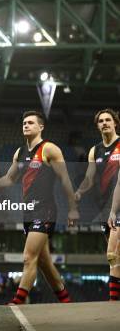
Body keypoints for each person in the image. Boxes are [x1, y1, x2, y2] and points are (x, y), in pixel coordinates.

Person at [0, 111, 79, 305]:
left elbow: (65, 179)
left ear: (41, 127)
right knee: (44, 263)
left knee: (28, 257)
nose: (26, 125)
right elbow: (9, 178)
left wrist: (73, 208)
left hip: (46, 210)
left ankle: (18, 301)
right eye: (24, 123)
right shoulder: (19, 152)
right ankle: (66, 301)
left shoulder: (49, 149)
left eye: (31, 123)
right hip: (28, 212)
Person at [75, 109, 120, 301]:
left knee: (112, 253)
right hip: (104, 207)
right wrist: (79, 191)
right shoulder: (95, 151)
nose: (104, 123)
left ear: (115, 123)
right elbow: (89, 178)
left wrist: (113, 210)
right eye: (101, 121)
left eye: (108, 120)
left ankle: (113, 300)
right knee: (115, 256)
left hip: (117, 207)